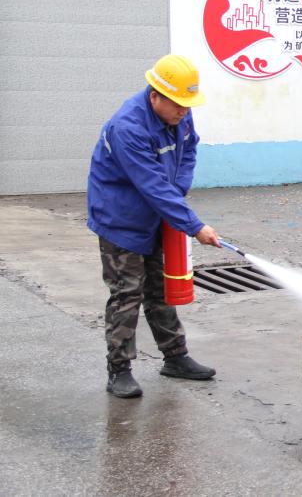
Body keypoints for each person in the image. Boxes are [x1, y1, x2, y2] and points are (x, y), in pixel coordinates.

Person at [87, 54, 221, 398]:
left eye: (187, 105)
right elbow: (152, 185)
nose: (184, 112)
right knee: (127, 293)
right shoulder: (128, 128)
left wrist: (179, 190)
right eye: (177, 105)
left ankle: (175, 357)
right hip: (121, 218)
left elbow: (188, 150)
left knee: (161, 287)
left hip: (157, 212)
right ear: (154, 96)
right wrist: (194, 225)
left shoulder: (179, 111)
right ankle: (119, 370)